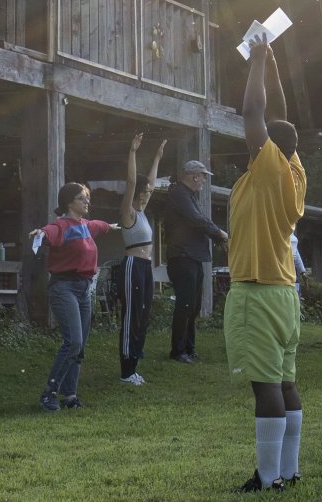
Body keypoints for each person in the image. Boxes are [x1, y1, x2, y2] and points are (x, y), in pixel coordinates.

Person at [226, 38, 306, 492]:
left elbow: (255, 112)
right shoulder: (294, 170)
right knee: (286, 383)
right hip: (284, 292)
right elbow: (279, 116)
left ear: (269, 146)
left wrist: (256, 59)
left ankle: (269, 476)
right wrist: (273, 63)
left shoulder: (270, 167)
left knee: (266, 387)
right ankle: (289, 471)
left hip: (256, 290)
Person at [31, 183, 119, 411]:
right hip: (64, 288)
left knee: (79, 347)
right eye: (82, 198)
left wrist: (112, 226)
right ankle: (49, 393)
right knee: (74, 342)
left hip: (83, 289)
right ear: (69, 202)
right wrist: (41, 233)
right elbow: (50, 231)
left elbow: (99, 225)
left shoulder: (87, 226)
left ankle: (69, 395)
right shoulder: (61, 226)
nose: (87, 202)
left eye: (87, 198)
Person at [163, 159, 228, 364]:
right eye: (202, 177)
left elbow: (200, 222)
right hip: (183, 257)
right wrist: (221, 235)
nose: (203, 181)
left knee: (193, 305)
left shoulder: (188, 196)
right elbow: (197, 221)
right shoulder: (180, 194)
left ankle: (189, 348)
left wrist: (218, 238)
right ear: (194, 176)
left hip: (192, 257)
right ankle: (178, 351)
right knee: (185, 305)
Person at [114, 133, 165, 386]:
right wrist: (133, 152)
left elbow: (151, 183)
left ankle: (134, 366)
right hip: (132, 266)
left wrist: (156, 157)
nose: (145, 195)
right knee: (132, 315)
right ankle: (126, 371)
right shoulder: (129, 212)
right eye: (142, 192)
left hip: (145, 268)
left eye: (147, 193)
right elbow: (133, 181)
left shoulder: (143, 211)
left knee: (144, 315)